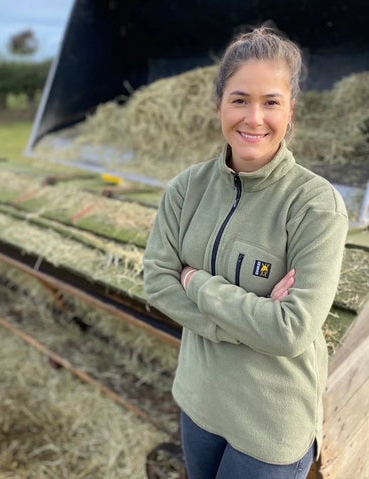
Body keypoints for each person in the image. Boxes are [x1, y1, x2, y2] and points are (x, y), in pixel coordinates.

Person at [143, 26, 348, 479]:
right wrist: (252, 320)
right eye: (239, 99)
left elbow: (290, 331)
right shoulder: (186, 189)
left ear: (291, 109)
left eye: (271, 102)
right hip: (199, 402)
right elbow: (156, 281)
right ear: (219, 105)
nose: (254, 118)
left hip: (269, 425)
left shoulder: (316, 205)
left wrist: (196, 282)